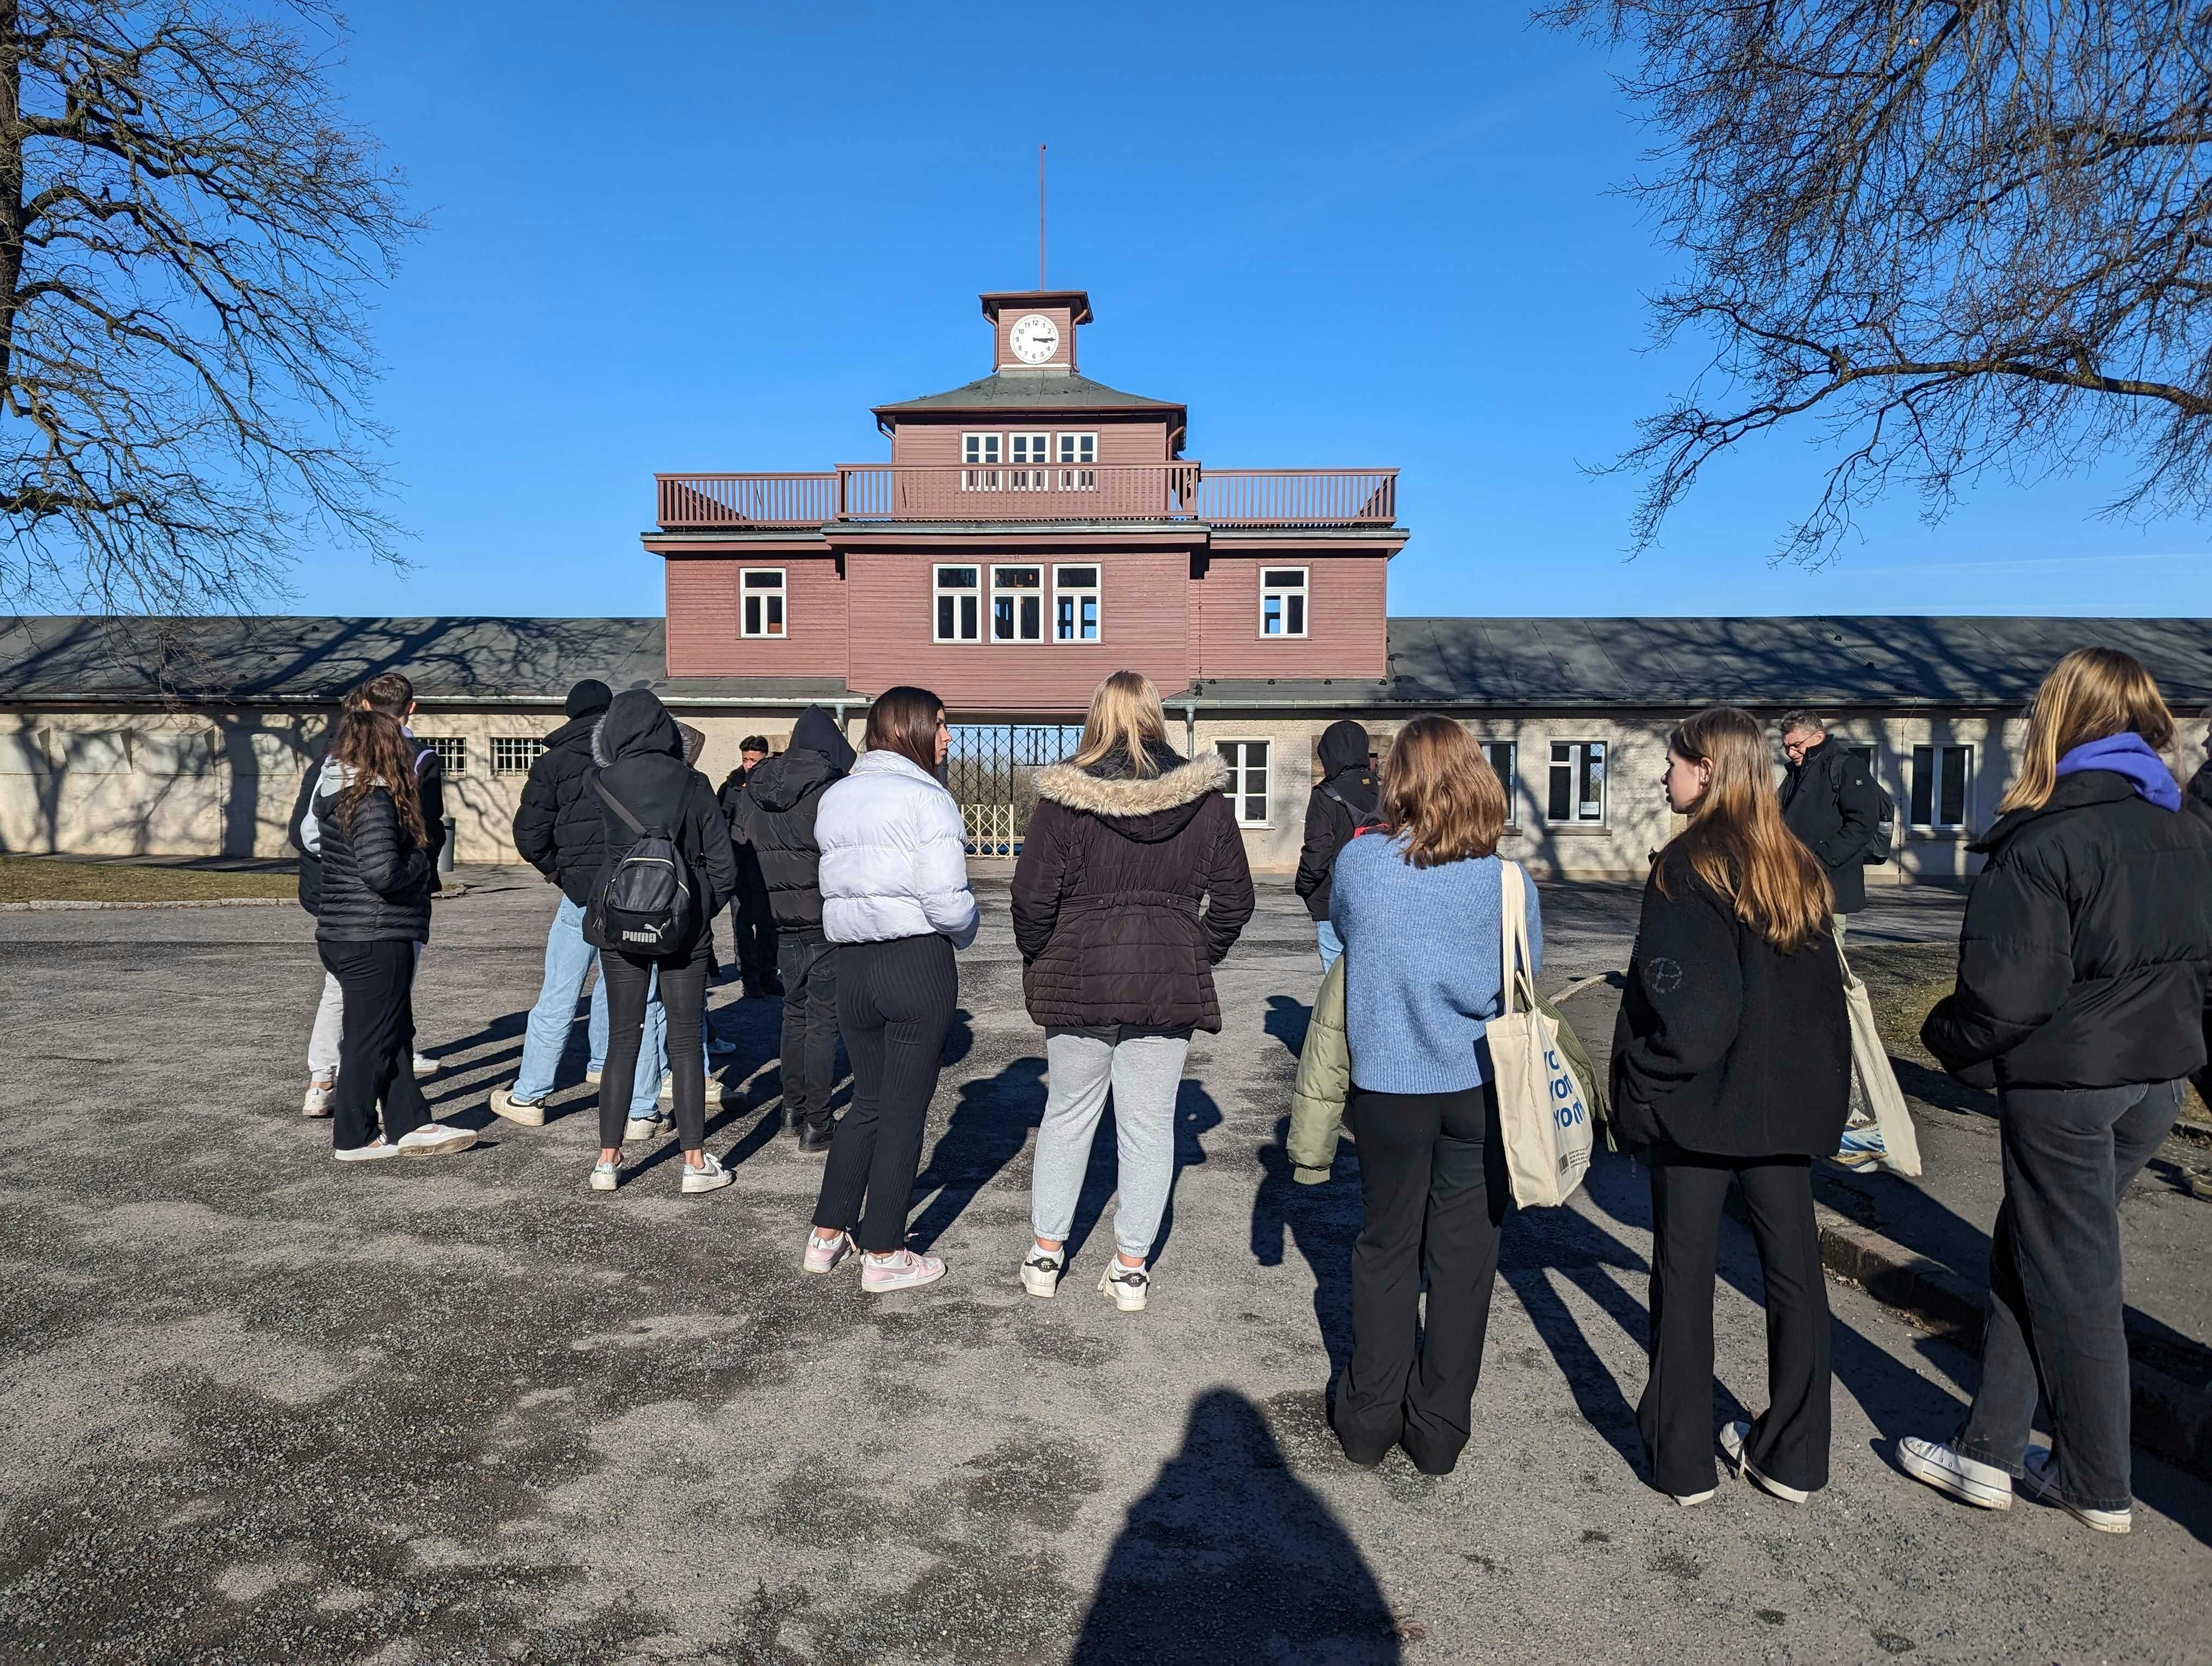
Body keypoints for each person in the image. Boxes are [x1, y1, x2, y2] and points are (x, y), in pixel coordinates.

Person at [1902, 649, 2212, 1535]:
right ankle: (1991, 1451)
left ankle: (2093, 1479)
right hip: (2155, 1084)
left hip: (2071, 1086)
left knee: (2075, 1276)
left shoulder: (2047, 838)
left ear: (2060, 721)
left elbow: (2004, 999)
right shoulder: (2187, 830)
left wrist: (1941, 1040)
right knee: (2035, 1250)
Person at [1612, 707, 1850, 1507]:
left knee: (1685, 1274)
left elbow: (1696, 1013)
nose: (1664, 775)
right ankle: (1796, 1457)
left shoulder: (1689, 866)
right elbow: (1817, 1007)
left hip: (1702, 1103)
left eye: (1674, 762)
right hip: (1782, 1107)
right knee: (1794, 1276)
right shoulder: (1797, 864)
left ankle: (1682, 1464)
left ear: (1708, 769)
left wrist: (1642, 1076)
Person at [1324, 716, 1539, 1475]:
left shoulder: (1362, 867)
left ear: (1401, 781)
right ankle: (1440, 1428)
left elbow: (1342, 941)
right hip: (1481, 1085)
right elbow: (1525, 970)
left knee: (1386, 1248)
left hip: (1389, 1083)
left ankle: (1369, 1418)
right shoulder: (1508, 880)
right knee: (1464, 1258)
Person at [1009, 671, 1256, 1311]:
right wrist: (1193, 952)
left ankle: (1044, 1254)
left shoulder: (1066, 798)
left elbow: (1031, 898)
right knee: (1149, 1126)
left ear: (1097, 718)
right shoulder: (1206, 799)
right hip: (1165, 981)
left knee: (1067, 1115)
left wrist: (1043, 955)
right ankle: (1130, 1270)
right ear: (1156, 716)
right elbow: (1235, 900)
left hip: (1079, 975)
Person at [801, 688, 977, 1293]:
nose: (949, 737)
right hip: (915, 959)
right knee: (903, 1110)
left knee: (868, 1104)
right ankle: (884, 1250)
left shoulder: (837, 796)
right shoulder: (928, 799)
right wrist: (968, 928)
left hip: (853, 963)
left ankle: (827, 1234)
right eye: (943, 724)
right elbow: (946, 900)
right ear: (911, 730)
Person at [494, 677, 680, 1139]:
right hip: (637, 897)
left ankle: (531, 1094)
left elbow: (529, 835)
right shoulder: (631, 759)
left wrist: (564, 875)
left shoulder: (553, 762)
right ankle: (640, 1109)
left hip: (580, 895)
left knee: (559, 994)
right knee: (641, 998)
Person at [583, 690, 741, 1194]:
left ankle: (608, 1161)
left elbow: (589, 855)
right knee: (686, 1042)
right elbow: (724, 865)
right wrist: (694, 909)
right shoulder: (693, 783)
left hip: (619, 926)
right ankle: (694, 1162)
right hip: (683, 930)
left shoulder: (602, 781)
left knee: (622, 1040)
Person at [310, 695, 475, 1162]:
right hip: (375, 934)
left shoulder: (337, 794)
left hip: (346, 931)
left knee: (392, 1032)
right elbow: (382, 872)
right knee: (370, 1040)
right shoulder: (374, 798)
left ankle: (410, 1123)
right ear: (384, 748)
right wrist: (420, 861)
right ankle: (355, 1137)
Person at [292, 672, 446, 1116]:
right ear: (410, 709)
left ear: (362, 707)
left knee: (341, 990)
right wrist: (414, 865)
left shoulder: (330, 761)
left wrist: (339, 865)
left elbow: (304, 832)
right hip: (381, 902)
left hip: (333, 893)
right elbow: (426, 834)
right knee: (383, 1000)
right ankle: (372, 1106)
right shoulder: (413, 761)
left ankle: (323, 1081)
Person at [731, 706, 856, 1153]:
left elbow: (740, 842)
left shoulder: (755, 784)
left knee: (794, 1013)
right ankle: (818, 1124)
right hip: (826, 918)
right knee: (823, 1020)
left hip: (778, 918)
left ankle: (792, 1109)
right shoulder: (833, 787)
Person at [1777, 709, 1887, 1168]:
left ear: (1818, 736)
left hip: (1828, 892)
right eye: (1786, 745)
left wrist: (1818, 860)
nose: (1789, 752)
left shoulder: (1844, 767)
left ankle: (1848, 1089)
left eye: (1796, 744)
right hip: (1796, 890)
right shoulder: (1797, 773)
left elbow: (1862, 824)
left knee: (1830, 984)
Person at [1294, 720, 1378, 971]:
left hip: (1335, 899)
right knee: (1374, 977)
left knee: (1337, 982)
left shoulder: (1326, 795)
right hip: (1382, 898)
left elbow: (1318, 850)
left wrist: (1304, 887)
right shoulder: (1390, 790)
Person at [718, 734, 780, 998]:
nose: (748, 764)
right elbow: (718, 824)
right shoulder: (731, 786)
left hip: (767, 866)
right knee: (742, 924)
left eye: (754, 760)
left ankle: (768, 975)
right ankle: (750, 979)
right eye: (745, 759)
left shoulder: (774, 785)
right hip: (740, 864)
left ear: (765, 758)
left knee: (769, 924)